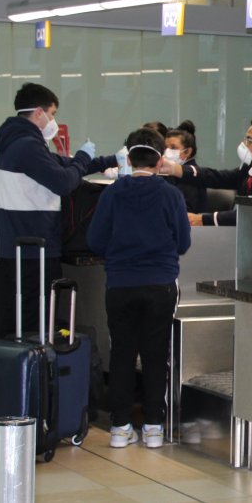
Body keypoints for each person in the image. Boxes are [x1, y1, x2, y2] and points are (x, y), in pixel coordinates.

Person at [87, 128, 191, 449]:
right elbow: (184, 242)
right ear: (160, 160)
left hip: (120, 283)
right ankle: (154, 427)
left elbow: (95, 240)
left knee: (122, 353)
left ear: (128, 158)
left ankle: (120, 427)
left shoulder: (112, 194)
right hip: (160, 284)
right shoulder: (171, 194)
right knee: (155, 354)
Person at [0, 83, 117, 339]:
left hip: (25, 245)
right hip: (30, 247)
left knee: (30, 317)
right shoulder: (26, 146)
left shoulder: (19, 143)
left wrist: (109, 160)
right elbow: (63, 182)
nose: (54, 121)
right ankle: (30, 372)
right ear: (39, 112)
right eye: (53, 113)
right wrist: (82, 156)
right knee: (31, 322)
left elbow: (64, 164)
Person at [159, 116, 252, 226]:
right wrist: (176, 169)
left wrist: (203, 219)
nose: (243, 144)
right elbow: (215, 177)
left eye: (249, 140)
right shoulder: (247, 170)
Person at [164, 121, 207, 213]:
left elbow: (184, 210)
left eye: (173, 148)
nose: (167, 152)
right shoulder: (172, 172)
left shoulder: (192, 175)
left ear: (187, 151)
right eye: (165, 147)